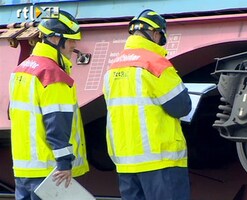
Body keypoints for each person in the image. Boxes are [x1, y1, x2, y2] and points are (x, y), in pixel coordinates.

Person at [103, 9, 192, 200]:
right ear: (155, 34)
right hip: (160, 162)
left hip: (126, 163)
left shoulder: (113, 68)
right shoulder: (155, 64)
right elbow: (182, 107)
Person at [8, 10, 89, 200]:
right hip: (50, 171)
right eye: (70, 40)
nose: (74, 45)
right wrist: (64, 163)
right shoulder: (52, 75)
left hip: (24, 169)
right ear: (55, 39)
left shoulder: (22, 69)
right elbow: (57, 124)